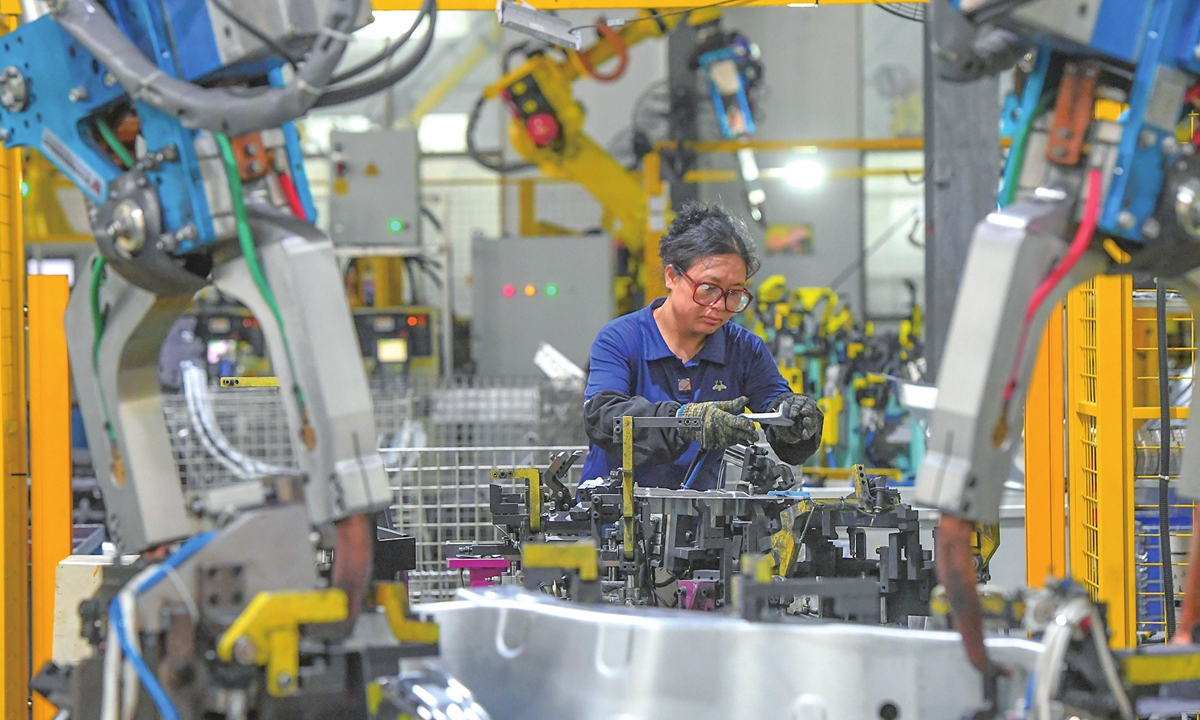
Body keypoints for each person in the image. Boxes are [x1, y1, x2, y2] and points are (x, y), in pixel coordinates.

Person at [580, 202, 823, 490]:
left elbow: (777, 410)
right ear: (672, 276)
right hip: (619, 517)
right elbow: (604, 417)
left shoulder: (744, 350)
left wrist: (795, 420)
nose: (720, 306)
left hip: (699, 522)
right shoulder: (621, 339)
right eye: (708, 288)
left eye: (734, 293)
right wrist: (684, 421)